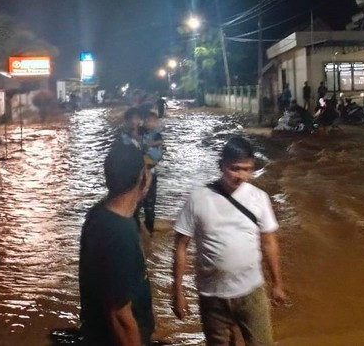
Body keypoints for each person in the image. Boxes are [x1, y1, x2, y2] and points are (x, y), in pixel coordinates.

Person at [172, 136, 287, 346]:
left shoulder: (259, 198)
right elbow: (181, 246)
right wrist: (178, 291)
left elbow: (269, 242)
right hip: (212, 296)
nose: (241, 176)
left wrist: (277, 284)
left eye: (247, 169)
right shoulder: (198, 198)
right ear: (221, 165)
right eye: (235, 169)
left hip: (251, 292)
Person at [79, 143, 154, 346]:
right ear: (142, 177)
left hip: (96, 332)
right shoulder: (120, 235)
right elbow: (120, 315)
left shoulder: (99, 214)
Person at [136, 112, 165, 235]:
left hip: (150, 172)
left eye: (152, 121)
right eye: (147, 121)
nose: (149, 123)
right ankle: (138, 230)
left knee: (149, 204)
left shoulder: (156, 135)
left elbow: (160, 143)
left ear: (156, 123)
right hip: (141, 171)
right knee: (137, 203)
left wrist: (149, 145)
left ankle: (149, 231)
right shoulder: (141, 132)